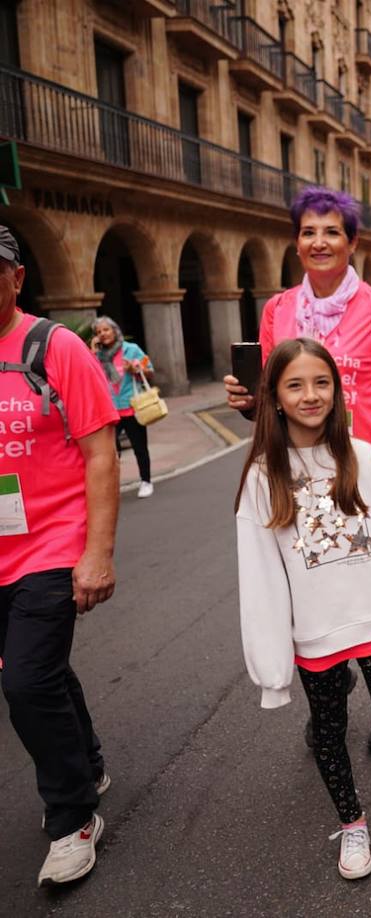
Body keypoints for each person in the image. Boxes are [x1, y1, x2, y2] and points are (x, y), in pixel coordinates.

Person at [235, 338, 371, 880]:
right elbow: (261, 577)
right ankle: (352, 824)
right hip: (315, 635)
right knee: (329, 734)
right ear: (275, 398)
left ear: (336, 390)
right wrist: (272, 666)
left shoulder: (364, 456)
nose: (311, 395)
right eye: (295, 385)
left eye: (321, 382)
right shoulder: (263, 475)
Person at [223, 186, 371, 751]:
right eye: (309, 231)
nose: (320, 241)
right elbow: (270, 401)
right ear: (297, 242)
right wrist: (248, 404)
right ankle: (328, 696)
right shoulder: (277, 310)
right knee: (312, 593)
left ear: (352, 242)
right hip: (296, 477)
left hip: (365, 474)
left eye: (332, 231)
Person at [0, 224, 120, 886]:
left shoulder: (54, 346)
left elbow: (100, 451)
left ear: (17, 277)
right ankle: (89, 760)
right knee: (37, 673)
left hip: (49, 543)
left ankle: (73, 817)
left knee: (24, 682)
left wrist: (96, 552)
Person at [91, 316, 156, 498]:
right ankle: (113, 486)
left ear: (115, 330)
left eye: (106, 330)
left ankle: (146, 481)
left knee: (139, 447)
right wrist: (93, 351)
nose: (103, 334)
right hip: (109, 411)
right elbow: (89, 377)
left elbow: (150, 371)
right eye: (98, 332)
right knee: (110, 452)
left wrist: (136, 369)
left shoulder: (131, 350)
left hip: (132, 407)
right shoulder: (96, 356)